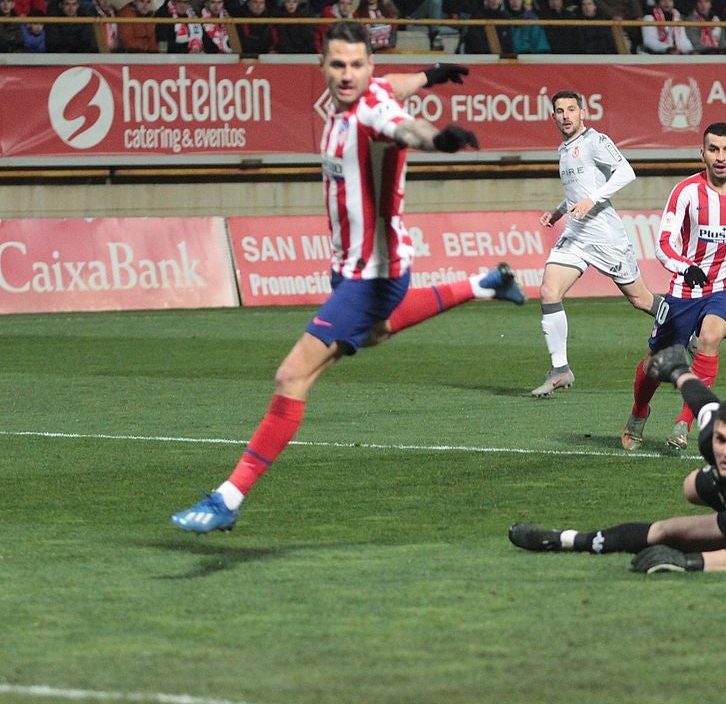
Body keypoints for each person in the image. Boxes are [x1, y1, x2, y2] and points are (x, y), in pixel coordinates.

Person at [170, 29, 518, 534]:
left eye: (357, 65)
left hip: (374, 274)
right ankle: (484, 284)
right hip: (350, 268)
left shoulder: (373, 114)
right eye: (338, 65)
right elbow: (397, 86)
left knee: (292, 376)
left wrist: (437, 139)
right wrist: (433, 75)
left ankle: (228, 496)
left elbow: (404, 126)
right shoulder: (363, 93)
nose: (348, 74)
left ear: (368, 65)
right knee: (374, 334)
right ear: (324, 67)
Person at [510, 343, 726, 575]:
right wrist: (678, 371)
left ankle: (710, 531)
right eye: (721, 440)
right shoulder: (718, 440)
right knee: (688, 492)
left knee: (678, 534)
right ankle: (561, 539)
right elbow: (705, 403)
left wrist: (687, 562)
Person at [620, 122, 726, 451]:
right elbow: (663, 244)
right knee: (654, 364)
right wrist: (685, 267)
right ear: (702, 154)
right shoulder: (685, 192)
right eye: (713, 149)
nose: (720, 157)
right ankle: (638, 413)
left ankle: (684, 423)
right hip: (685, 290)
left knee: (709, 338)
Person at [531, 91, 664, 397]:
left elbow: (626, 172)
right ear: (553, 117)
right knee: (549, 291)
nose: (565, 115)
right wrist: (559, 211)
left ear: (582, 113)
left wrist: (593, 200)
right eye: (560, 111)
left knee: (641, 300)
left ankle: (688, 325)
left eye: (571, 110)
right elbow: (578, 191)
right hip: (577, 234)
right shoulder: (564, 150)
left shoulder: (596, 141)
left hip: (605, 234)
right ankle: (560, 369)